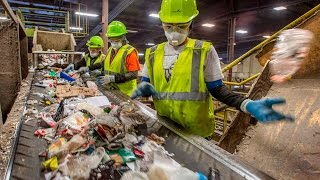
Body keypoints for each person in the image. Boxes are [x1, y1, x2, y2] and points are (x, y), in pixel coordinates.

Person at [131, 0, 294, 137]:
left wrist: (246, 104)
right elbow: (147, 84)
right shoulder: (152, 53)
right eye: (169, 27)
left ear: (190, 25)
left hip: (197, 132)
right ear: (162, 25)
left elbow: (218, 90)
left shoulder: (204, 51)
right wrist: (143, 88)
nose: (174, 32)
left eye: (181, 26)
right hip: (165, 127)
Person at [97, 21, 140, 96]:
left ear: (123, 38)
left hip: (127, 93)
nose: (114, 43)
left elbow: (134, 74)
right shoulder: (110, 50)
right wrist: (99, 73)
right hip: (113, 90)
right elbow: (109, 68)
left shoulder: (130, 52)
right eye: (111, 40)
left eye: (117, 40)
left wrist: (113, 78)